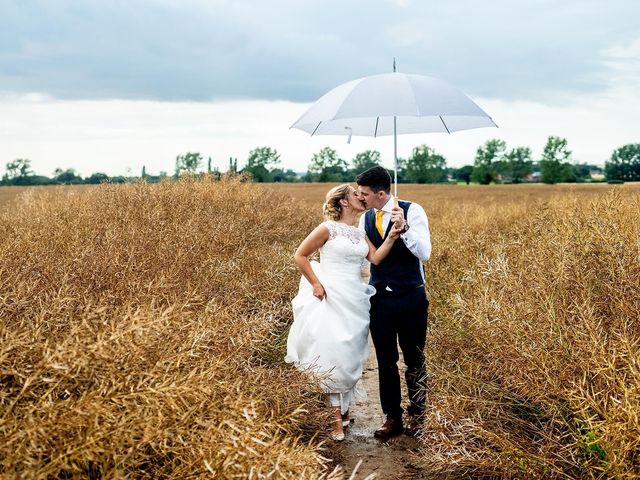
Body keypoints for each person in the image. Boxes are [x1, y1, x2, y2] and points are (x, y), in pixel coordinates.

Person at [285, 184, 401, 441]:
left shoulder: (360, 233)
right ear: (344, 202)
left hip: (354, 299)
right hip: (329, 295)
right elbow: (300, 255)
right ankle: (334, 417)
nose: (362, 197)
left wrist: (393, 234)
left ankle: (344, 408)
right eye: (356, 194)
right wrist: (316, 284)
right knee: (332, 353)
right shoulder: (327, 228)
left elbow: (377, 258)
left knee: (350, 354)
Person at [356, 166, 432, 440]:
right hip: (379, 300)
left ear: (380, 193)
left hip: (411, 297)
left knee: (414, 359)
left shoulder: (413, 211)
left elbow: (425, 253)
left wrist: (405, 228)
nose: (360, 197)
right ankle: (392, 418)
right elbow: (371, 258)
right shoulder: (365, 218)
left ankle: (419, 415)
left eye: (364, 194)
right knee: (385, 361)